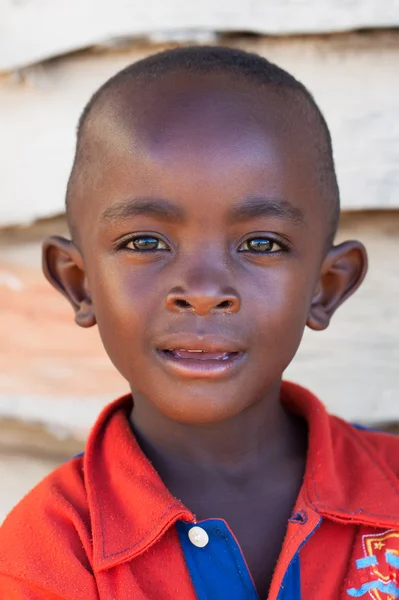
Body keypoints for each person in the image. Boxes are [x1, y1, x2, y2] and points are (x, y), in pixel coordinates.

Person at [0, 45, 398, 600]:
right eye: (145, 242)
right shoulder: (48, 554)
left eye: (261, 243)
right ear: (78, 281)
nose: (205, 292)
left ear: (326, 287)